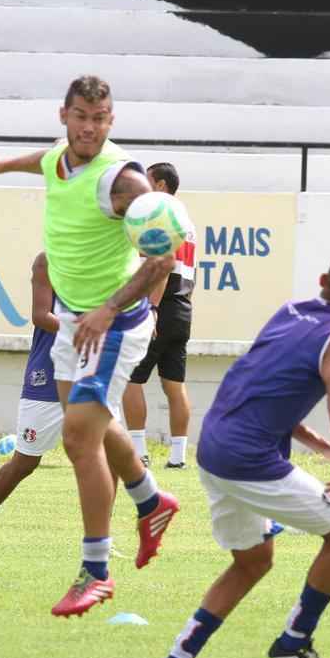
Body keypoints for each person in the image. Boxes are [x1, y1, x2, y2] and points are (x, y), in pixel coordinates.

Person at [0, 75, 180, 617]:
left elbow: (163, 260)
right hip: (70, 321)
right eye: (81, 117)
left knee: (79, 439)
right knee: (93, 423)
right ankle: (152, 502)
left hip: (111, 324)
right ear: (64, 115)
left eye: (100, 119)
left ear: (112, 122)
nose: (89, 128)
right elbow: (44, 160)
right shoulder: (58, 159)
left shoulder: (124, 181)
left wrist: (107, 310)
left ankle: (95, 570)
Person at [151, 248, 330, 658]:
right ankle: (293, 642)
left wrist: (325, 447)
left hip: (213, 445)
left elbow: (266, 393)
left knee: (253, 561)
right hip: (247, 458)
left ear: (322, 279)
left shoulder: (289, 313)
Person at [0, 252, 62, 556]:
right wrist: (88, 327)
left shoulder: (111, 259)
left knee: (105, 457)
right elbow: (41, 315)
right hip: (49, 375)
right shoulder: (49, 261)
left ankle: (101, 543)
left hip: (91, 373)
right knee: (26, 462)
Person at [123, 162, 196, 469]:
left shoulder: (160, 216)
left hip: (160, 305)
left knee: (130, 379)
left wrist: (151, 309)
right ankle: (178, 456)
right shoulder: (187, 221)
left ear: (162, 186)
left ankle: (138, 452)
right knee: (174, 384)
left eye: (148, 182)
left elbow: (162, 266)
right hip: (183, 306)